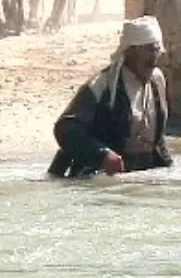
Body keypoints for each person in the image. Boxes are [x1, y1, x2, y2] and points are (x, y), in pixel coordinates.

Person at [47, 15, 174, 177]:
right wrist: (102, 155)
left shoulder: (157, 81)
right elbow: (66, 128)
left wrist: (168, 168)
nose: (155, 57)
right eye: (149, 50)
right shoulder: (102, 84)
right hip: (97, 174)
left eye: (158, 49)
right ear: (130, 52)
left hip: (140, 174)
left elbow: (156, 140)